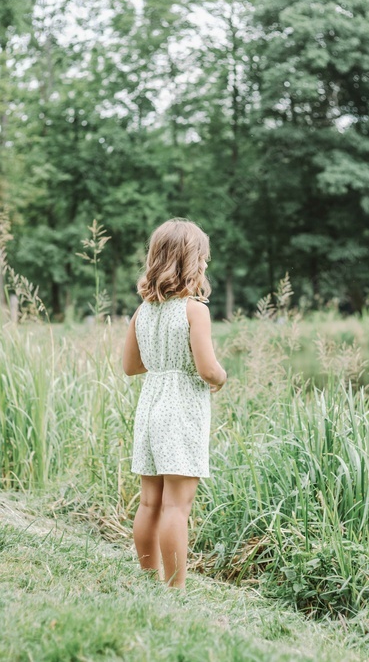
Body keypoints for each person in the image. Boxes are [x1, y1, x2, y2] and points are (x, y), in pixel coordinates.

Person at [122, 218, 227, 588]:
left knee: (150, 503)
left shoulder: (143, 312)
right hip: (181, 410)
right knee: (176, 507)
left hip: (150, 406)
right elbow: (207, 367)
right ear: (194, 263)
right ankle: (176, 588)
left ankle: (149, 578)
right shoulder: (195, 310)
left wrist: (161, 362)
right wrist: (221, 377)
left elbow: (130, 366)